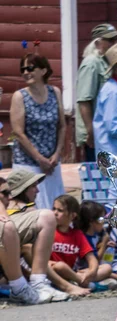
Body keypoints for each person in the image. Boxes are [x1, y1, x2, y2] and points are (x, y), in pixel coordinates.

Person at [10, 53, 65, 210]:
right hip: (28, 165)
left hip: (52, 164)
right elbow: (18, 132)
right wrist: (40, 159)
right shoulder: (19, 97)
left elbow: (61, 126)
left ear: (43, 70)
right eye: (23, 69)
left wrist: (56, 155)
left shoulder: (55, 92)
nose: (26, 72)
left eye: (30, 68)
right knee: (34, 210)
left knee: (56, 208)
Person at [3, 170, 68, 302]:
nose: (37, 191)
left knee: (47, 216)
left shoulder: (26, 209)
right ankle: (27, 287)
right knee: (9, 226)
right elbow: (27, 251)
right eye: (33, 186)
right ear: (22, 189)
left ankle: (39, 283)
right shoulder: (8, 206)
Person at [75, 23, 117, 162]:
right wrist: (91, 131)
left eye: (115, 40)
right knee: (99, 177)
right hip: (96, 133)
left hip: (108, 131)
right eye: (110, 40)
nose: (114, 44)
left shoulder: (107, 62)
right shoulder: (91, 63)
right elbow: (84, 100)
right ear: (97, 43)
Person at [49, 195, 113, 291]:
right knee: (60, 266)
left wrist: (91, 271)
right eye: (54, 209)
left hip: (72, 272)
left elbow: (92, 259)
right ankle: (88, 285)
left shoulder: (77, 234)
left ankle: (77, 281)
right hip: (53, 270)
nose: (55, 213)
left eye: (60, 210)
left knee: (107, 267)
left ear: (73, 215)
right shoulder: (49, 231)